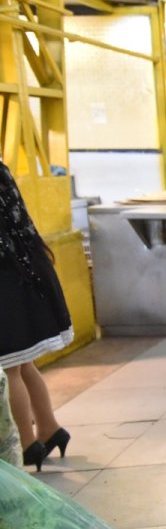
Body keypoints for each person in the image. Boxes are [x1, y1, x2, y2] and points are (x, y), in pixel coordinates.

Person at [0, 159, 73, 472]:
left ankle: (28, 444)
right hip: (26, 268)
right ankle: (49, 428)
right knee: (22, 363)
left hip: (7, 279)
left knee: (9, 367)